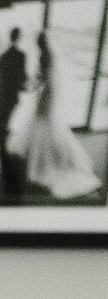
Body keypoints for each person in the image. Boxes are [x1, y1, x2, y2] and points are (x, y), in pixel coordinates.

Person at [21, 27, 104, 202]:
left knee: (43, 123)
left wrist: (33, 84)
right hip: (50, 93)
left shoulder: (44, 55)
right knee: (50, 124)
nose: (37, 42)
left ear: (41, 42)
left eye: (38, 40)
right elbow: (47, 76)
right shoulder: (49, 53)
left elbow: (43, 76)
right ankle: (54, 155)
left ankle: (48, 160)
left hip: (46, 94)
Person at [0, 23, 32, 198]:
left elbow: (1, 77)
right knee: (4, 125)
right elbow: (22, 79)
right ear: (19, 37)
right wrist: (27, 85)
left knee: (1, 125)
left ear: (10, 37)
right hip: (10, 97)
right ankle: (5, 163)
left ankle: (3, 157)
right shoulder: (21, 56)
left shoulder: (1, 56)